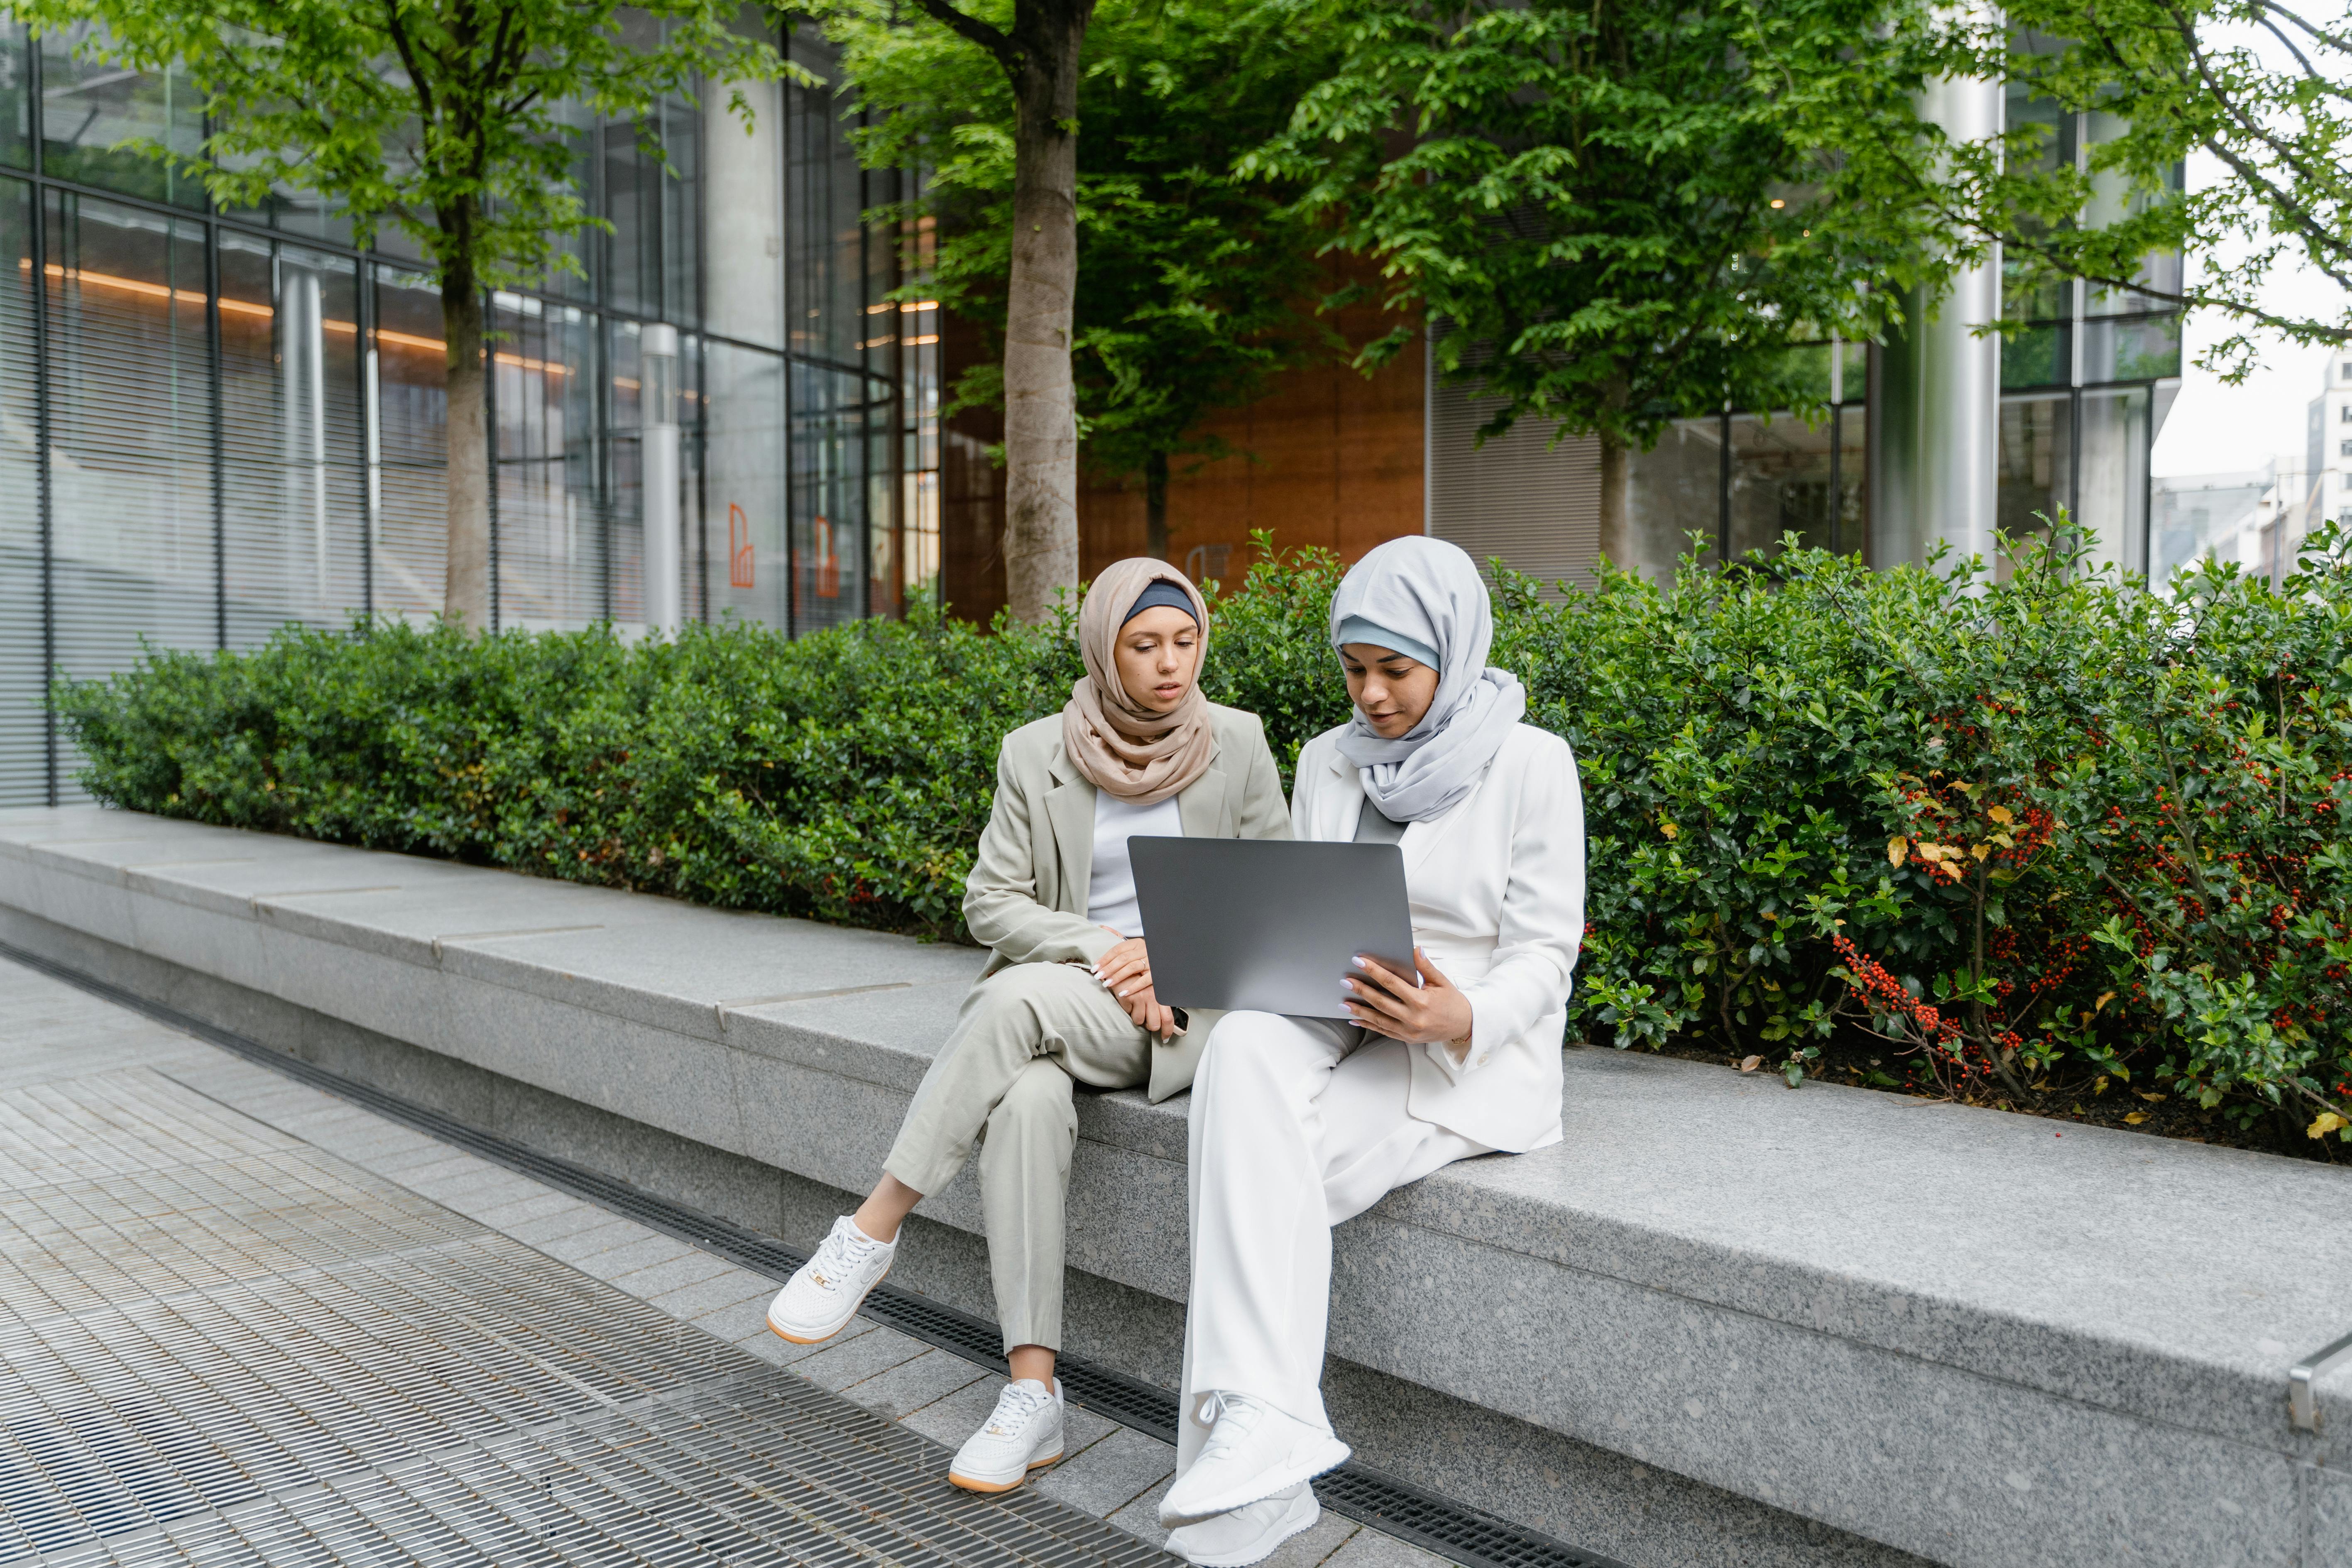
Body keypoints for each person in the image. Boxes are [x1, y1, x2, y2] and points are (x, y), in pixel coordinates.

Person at [764, 558, 1290, 1495]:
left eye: (1185, 640)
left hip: (1181, 1014)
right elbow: (990, 902)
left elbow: (1275, 905)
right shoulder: (1036, 750)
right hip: (1074, 1002)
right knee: (1026, 1105)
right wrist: (1103, 944)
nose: (1171, 664)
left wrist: (1164, 954)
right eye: (1144, 644)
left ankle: (873, 1225)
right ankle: (1033, 1393)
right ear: (1102, 646)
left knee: (1008, 1001)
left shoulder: (1237, 743)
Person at [1156, 536, 1585, 1567]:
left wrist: (1460, 1014)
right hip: (1339, 1020)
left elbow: (1546, 953)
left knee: (1251, 1168)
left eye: (1396, 668)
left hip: (1460, 1059)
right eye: (1354, 669)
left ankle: (1256, 1452)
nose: (1374, 694)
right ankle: (1271, 1432)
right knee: (1244, 1047)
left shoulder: (1533, 762)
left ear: (1452, 649)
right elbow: (1313, 915)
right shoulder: (1327, 758)